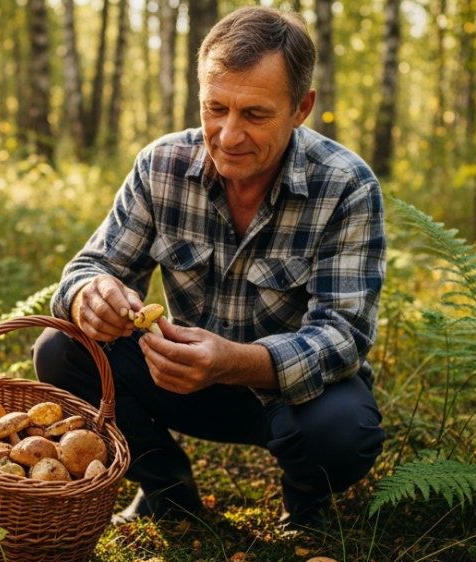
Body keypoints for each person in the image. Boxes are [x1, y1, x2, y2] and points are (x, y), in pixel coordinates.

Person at [33, 5, 385, 532]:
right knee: (60, 350)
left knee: (344, 432)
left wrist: (235, 362)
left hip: (286, 395)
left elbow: (344, 335)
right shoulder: (162, 165)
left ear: (301, 108)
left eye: (255, 114)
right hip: (178, 377)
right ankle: (165, 486)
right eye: (215, 108)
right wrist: (89, 294)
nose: (228, 135)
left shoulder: (345, 186)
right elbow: (91, 266)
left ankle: (306, 498)